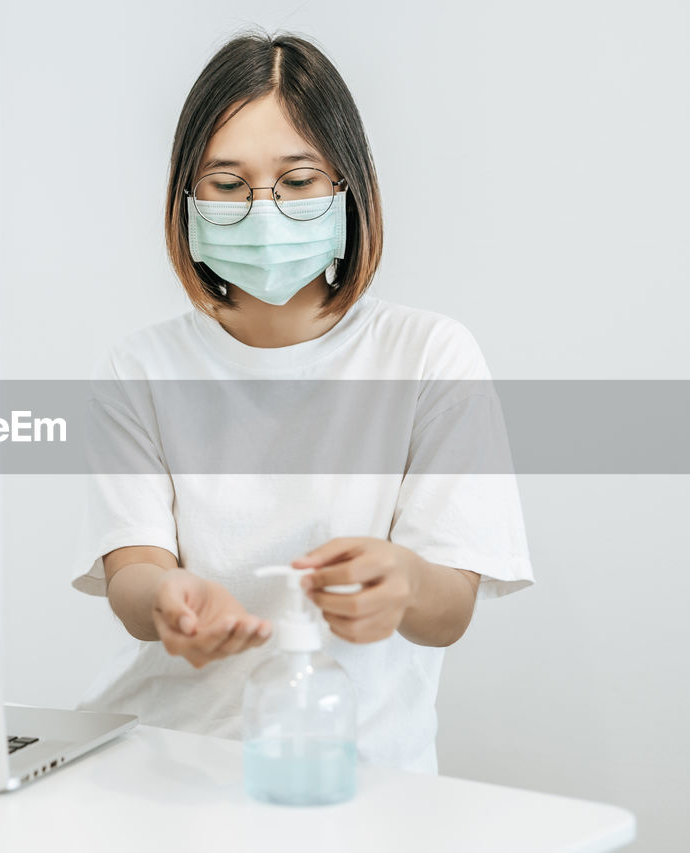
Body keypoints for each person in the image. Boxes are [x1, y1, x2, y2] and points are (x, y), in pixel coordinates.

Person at [70, 29, 535, 775]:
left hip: (361, 776)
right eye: (227, 185)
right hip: (161, 763)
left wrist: (404, 582)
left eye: (297, 181)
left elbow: (448, 610)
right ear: (186, 198)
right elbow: (132, 577)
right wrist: (169, 596)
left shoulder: (430, 357)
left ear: (347, 188)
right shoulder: (139, 369)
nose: (264, 211)